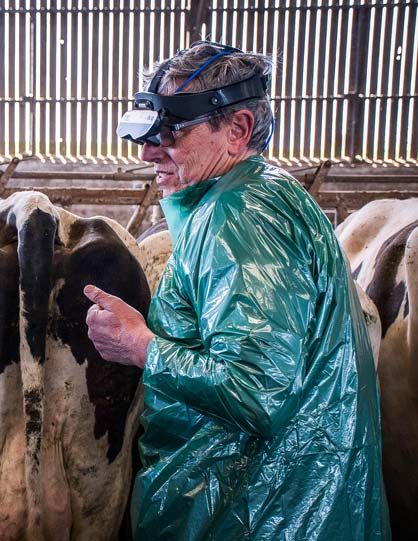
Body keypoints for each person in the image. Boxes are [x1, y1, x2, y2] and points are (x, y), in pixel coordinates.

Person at [84, 42, 390, 539]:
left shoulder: (240, 216)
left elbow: (255, 391)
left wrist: (140, 344)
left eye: (172, 132)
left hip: (253, 513)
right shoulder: (261, 193)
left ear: (238, 130)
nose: (147, 152)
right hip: (282, 502)